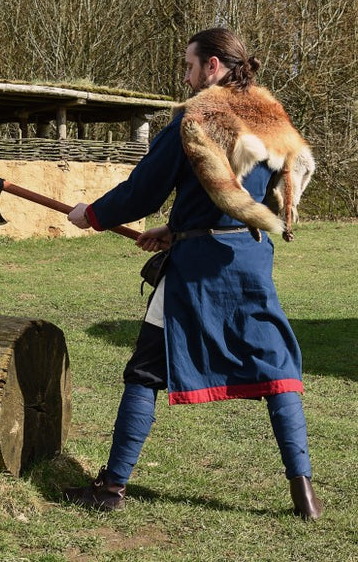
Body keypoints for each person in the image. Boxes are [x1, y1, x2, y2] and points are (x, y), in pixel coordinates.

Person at [64, 27, 323, 520]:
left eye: (189, 65)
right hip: (249, 261)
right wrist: (177, 227)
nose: (184, 76)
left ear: (212, 66)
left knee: (144, 371)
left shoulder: (197, 116)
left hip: (199, 272)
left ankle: (112, 488)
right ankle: (304, 493)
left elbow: (143, 187)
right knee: (277, 369)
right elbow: (259, 197)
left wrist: (93, 214)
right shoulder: (270, 118)